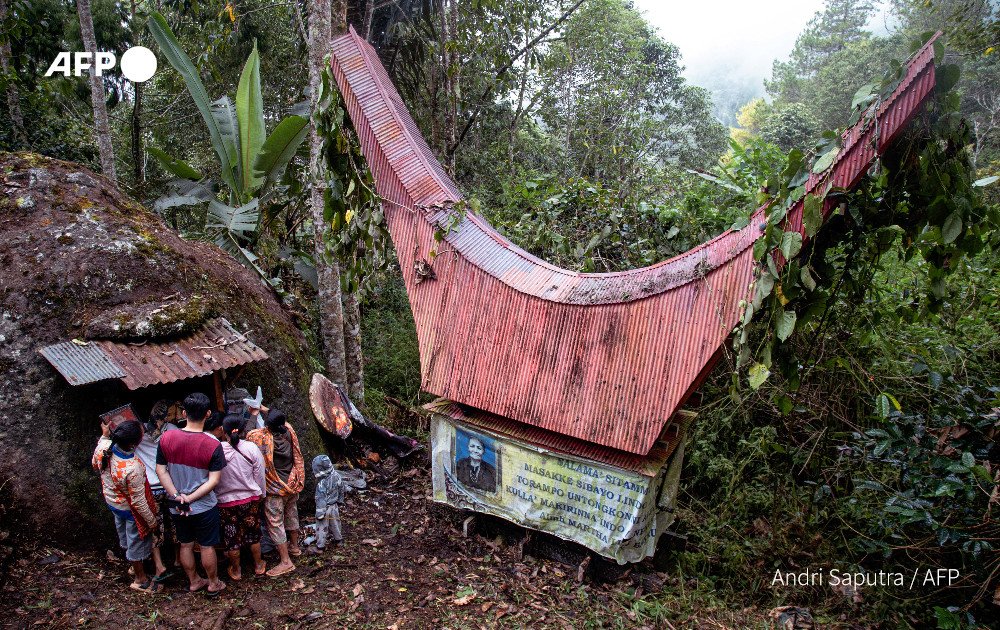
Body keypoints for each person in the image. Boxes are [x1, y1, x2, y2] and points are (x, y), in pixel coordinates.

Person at [155, 393, 227, 595]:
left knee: (185, 544)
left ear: (184, 413)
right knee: (206, 546)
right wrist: (191, 498)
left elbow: (161, 470)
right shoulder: (213, 444)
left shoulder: (167, 438)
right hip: (203, 505)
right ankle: (213, 583)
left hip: (177, 504)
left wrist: (178, 496)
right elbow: (214, 480)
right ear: (208, 414)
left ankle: (194, 581)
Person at [92, 419, 160, 593]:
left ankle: (133, 565)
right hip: (130, 510)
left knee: (124, 534)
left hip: (113, 502)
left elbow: (95, 464)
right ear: (133, 444)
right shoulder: (132, 467)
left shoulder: (104, 448)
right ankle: (140, 578)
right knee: (136, 541)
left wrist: (105, 435)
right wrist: (151, 521)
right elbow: (138, 502)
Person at [247, 409, 304, 577]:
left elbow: (247, 433)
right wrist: (264, 408)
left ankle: (286, 561)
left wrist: (253, 414)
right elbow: (281, 420)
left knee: (276, 523)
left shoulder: (262, 438)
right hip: (292, 482)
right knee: (291, 513)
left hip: (275, 489)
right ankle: (294, 547)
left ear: (267, 425)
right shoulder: (289, 432)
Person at [216, 413, 267, 580]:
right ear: (244, 430)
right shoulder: (251, 448)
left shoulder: (218, 450)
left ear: (223, 430)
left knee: (232, 537)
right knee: (253, 533)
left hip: (225, 502)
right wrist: (262, 494)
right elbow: (259, 474)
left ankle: (236, 570)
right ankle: (258, 565)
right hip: (250, 498)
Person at [134, 400, 180, 583]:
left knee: (155, 527)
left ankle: (159, 564)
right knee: (176, 523)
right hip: (171, 485)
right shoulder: (172, 429)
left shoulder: (138, 432)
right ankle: (178, 558)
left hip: (151, 487)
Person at [312, 455, 345, 550]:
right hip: (334, 506)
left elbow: (320, 499)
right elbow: (341, 488)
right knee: (335, 523)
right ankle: (339, 540)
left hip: (325, 508)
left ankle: (320, 546)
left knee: (322, 527)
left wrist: (320, 513)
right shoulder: (337, 476)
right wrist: (340, 500)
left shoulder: (321, 483)